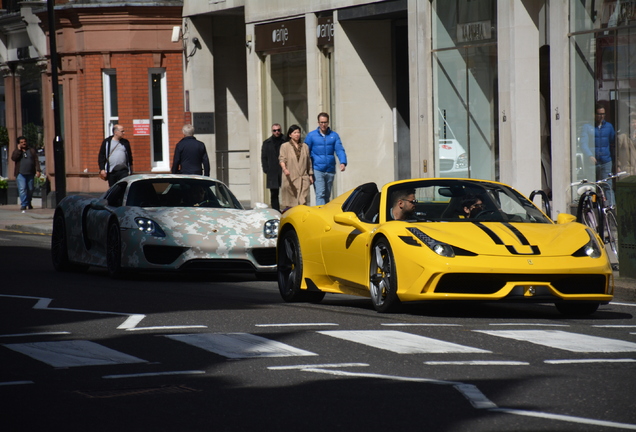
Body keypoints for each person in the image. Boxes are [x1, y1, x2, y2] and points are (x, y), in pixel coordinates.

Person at [305, 112, 347, 205]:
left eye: (325, 122)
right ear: (318, 123)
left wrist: (343, 162)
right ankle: (320, 215)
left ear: (328, 122)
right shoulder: (311, 136)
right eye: (321, 122)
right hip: (317, 169)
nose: (323, 125)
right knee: (320, 194)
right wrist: (308, 170)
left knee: (327, 195)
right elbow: (306, 152)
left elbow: (339, 149)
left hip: (330, 169)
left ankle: (325, 214)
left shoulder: (334, 135)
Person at [579, 103, 616, 206]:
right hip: (592, 162)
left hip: (606, 161)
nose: (601, 116)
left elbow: (613, 142)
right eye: (599, 114)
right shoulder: (587, 127)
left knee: (607, 185)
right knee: (592, 186)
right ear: (594, 114)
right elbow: (583, 143)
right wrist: (589, 155)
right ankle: (592, 206)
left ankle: (611, 207)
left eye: (603, 114)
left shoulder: (609, 127)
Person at [279, 125, 313, 212]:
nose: (297, 134)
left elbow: (308, 161)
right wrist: (284, 169)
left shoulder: (305, 146)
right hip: (290, 177)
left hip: (303, 178)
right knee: (291, 204)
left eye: (298, 132)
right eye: (295, 133)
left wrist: (310, 175)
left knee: (302, 203)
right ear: (290, 135)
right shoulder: (285, 146)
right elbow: (282, 159)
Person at [11, 136, 41, 213]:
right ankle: (24, 204)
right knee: (22, 189)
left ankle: (29, 202)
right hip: (20, 173)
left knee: (30, 189)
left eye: (24, 142)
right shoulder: (17, 151)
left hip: (30, 173)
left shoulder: (31, 150)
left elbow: (36, 160)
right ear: (19, 144)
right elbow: (14, 158)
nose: (23, 143)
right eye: (21, 142)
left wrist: (38, 170)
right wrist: (18, 150)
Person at [261, 123, 285, 211]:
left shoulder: (285, 140)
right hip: (272, 171)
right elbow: (264, 157)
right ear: (272, 131)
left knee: (287, 191)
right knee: (274, 194)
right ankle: (276, 211)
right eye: (275, 130)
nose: (277, 132)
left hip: (283, 170)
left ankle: (287, 211)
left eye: (278, 130)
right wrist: (266, 169)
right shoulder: (267, 143)